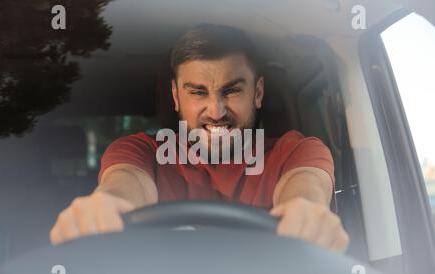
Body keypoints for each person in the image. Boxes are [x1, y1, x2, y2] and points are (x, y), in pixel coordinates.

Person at [49, 24, 349, 253]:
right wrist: (107, 204)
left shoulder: (296, 151)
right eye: (197, 92)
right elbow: (125, 182)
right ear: (176, 97)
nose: (216, 111)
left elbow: (307, 186)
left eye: (232, 90)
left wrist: (309, 212)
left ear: (257, 93)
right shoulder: (141, 151)